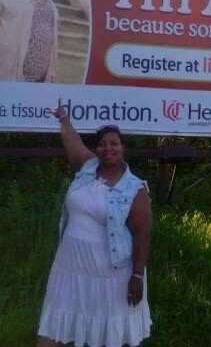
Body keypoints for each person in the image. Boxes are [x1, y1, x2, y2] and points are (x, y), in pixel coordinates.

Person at [37, 98, 152, 347]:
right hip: (69, 267)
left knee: (107, 333)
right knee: (54, 326)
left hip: (111, 275)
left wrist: (137, 276)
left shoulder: (135, 188)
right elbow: (73, 141)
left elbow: (143, 233)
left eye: (114, 144)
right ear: (96, 149)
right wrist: (63, 117)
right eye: (101, 145)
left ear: (123, 148)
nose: (107, 148)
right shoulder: (87, 167)